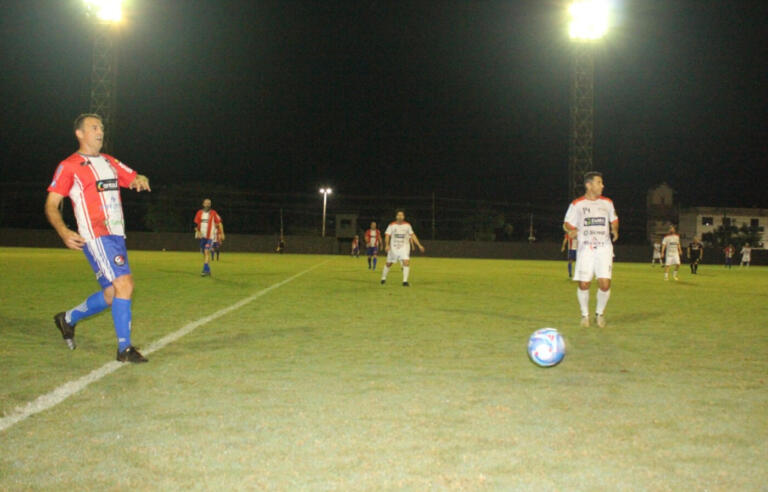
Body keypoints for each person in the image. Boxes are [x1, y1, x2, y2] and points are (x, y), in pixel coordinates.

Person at [45, 113, 150, 363]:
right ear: (80, 134)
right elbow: (51, 204)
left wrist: (140, 179)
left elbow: (134, 177)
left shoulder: (109, 161)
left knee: (112, 294)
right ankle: (124, 349)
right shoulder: (69, 165)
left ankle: (67, 319)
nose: (100, 131)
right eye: (93, 127)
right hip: (96, 235)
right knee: (125, 285)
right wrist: (63, 231)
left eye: (101, 127)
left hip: (116, 235)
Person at [563, 172, 619, 328]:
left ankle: (599, 314)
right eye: (599, 182)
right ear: (589, 185)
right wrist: (571, 231)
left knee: (605, 284)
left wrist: (615, 229)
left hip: (604, 247)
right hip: (585, 248)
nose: (602, 185)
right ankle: (585, 315)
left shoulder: (607, 203)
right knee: (584, 284)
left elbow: (614, 219)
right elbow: (567, 223)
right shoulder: (577, 204)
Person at [381, 210, 426, 286]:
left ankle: (405, 281)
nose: (400, 216)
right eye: (398, 215)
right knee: (389, 263)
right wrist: (387, 245)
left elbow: (413, 235)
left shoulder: (407, 225)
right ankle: (383, 278)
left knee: (406, 262)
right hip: (393, 248)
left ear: (404, 217)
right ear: (396, 216)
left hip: (404, 247)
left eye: (401, 215)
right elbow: (387, 235)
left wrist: (419, 245)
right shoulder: (391, 225)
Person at [194, 198, 225, 276]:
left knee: (206, 251)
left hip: (210, 237)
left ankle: (205, 270)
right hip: (203, 237)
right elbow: (196, 224)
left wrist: (222, 233)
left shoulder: (213, 213)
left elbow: (219, 223)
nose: (207, 204)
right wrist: (198, 231)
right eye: (206, 203)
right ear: (203, 204)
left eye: (209, 203)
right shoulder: (199, 213)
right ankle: (208, 269)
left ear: (210, 205)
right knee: (204, 253)